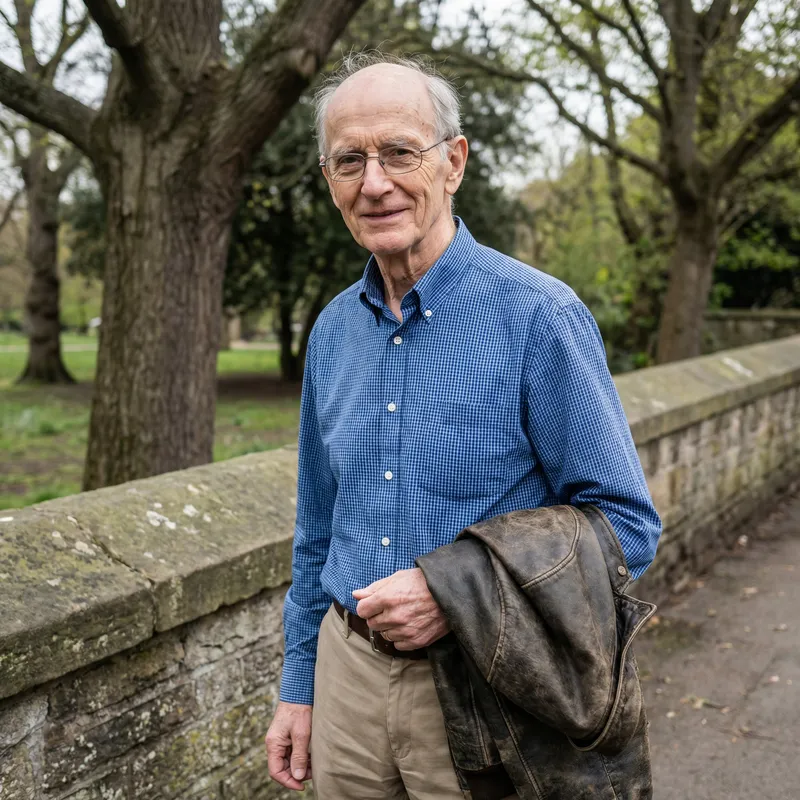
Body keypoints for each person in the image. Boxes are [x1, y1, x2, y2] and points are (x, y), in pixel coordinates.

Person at [265, 52, 661, 799]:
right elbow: (317, 534)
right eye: (350, 160)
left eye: (399, 153)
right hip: (345, 675)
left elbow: (628, 527)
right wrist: (299, 687)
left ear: (453, 162)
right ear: (329, 181)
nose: (374, 182)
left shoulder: (539, 318)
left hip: (488, 687)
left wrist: (453, 589)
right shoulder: (331, 335)